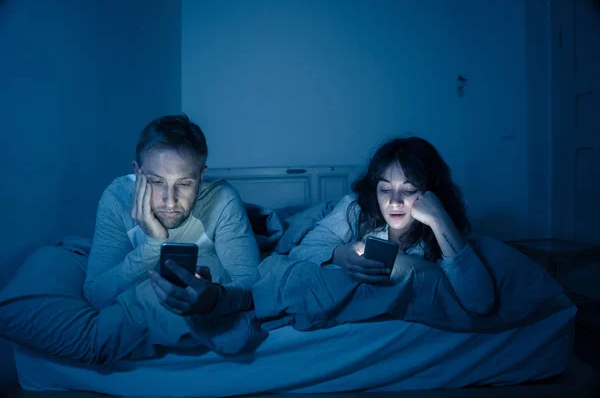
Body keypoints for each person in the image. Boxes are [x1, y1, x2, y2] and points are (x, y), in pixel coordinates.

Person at [288, 137, 495, 315]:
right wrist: (338, 254)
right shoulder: (356, 209)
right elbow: (300, 251)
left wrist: (439, 218)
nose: (395, 201)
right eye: (385, 189)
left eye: (409, 189)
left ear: (430, 193)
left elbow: (479, 302)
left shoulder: (441, 223)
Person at [84, 114, 259, 318]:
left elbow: (253, 285)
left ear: (201, 177)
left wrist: (216, 299)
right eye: (157, 182)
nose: (169, 201)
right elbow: (95, 295)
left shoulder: (222, 199)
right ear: (137, 172)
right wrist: (153, 244)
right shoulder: (117, 199)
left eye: (184, 184)